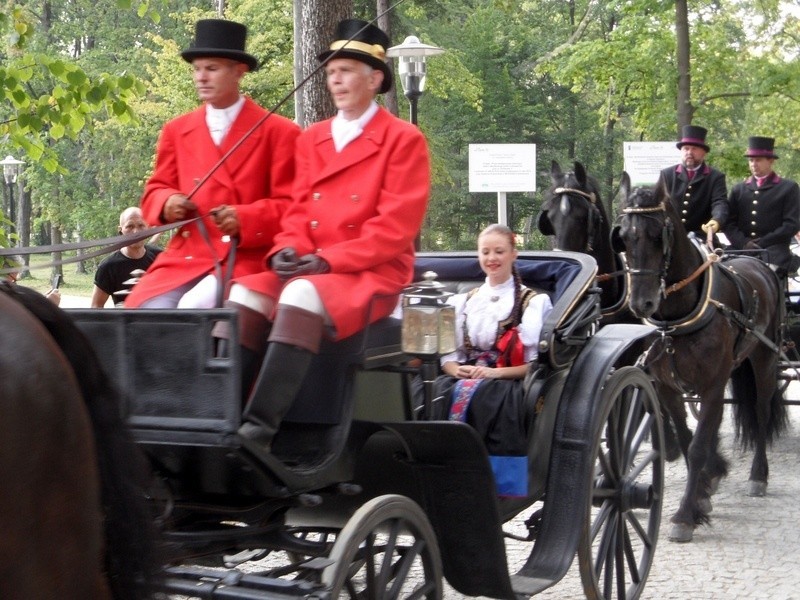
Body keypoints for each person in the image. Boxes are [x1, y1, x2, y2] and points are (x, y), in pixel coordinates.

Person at [223, 18, 430, 458]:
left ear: (375, 79)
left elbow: (394, 230)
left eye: (346, 70)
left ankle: (259, 432)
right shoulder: (312, 138)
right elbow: (297, 211)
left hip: (370, 274)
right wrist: (285, 250)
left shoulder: (403, 140)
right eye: (331, 71)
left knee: (299, 294)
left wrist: (329, 262)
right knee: (242, 292)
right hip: (311, 269)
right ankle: (223, 418)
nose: (335, 79)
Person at [125, 19, 301, 309]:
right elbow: (156, 189)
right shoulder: (177, 130)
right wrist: (168, 202)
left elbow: (294, 207)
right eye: (197, 69)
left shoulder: (280, 132)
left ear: (238, 71)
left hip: (246, 257)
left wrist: (246, 218)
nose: (201, 77)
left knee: (192, 311)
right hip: (187, 255)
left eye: (212, 68)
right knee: (145, 311)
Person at [423, 224, 552, 496]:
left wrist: (493, 374)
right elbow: (448, 356)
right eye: (485, 252)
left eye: (499, 251)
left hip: (505, 381)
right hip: (464, 377)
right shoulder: (464, 301)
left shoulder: (532, 302)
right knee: (427, 393)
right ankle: (434, 471)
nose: (492, 258)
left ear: (514, 254)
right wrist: (457, 369)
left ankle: (492, 482)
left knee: (488, 398)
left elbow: (532, 366)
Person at [724, 136, 800, 277]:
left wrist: (763, 242)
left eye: (758, 160)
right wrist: (743, 243)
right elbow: (729, 222)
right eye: (751, 160)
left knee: (767, 276)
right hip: (741, 249)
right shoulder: (739, 189)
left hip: (774, 250)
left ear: (771, 161)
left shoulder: (788, 188)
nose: (753, 164)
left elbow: (791, 224)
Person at [659, 124, 728, 242]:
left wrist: (716, 220)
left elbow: (719, 202)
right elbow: (659, 202)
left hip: (701, 236)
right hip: (670, 235)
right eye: (686, 148)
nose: (689, 152)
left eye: (694, 149)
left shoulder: (715, 177)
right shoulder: (667, 174)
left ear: (704, 153)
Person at [91, 207, 162, 308]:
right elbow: (96, 306)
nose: (135, 232)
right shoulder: (108, 266)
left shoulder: (159, 258)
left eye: (141, 225)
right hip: (124, 323)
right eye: (130, 226)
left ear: (148, 228)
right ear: (121, 230)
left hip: (155, 322)